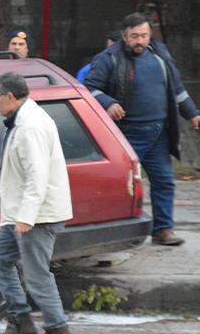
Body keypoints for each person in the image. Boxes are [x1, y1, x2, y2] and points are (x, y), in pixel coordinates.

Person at [84, 13, 200, 246]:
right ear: (124, 36)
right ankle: (112, 234)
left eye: (144, 36)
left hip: (158, 133)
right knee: (119, 186)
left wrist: (193, 114)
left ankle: (163, 230)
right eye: (135, 36)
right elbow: (90, 89)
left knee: (164, 182)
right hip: (124, 134)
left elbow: (177, 89)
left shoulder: (160, 55)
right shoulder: (107, 58)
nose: (140, 41)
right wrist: (108, 103)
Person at [0, 71, 74, 334]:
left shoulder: (31, 126)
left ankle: (58, 332)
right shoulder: (20, 121)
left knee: (37, 275)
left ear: (10, 96)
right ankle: (21, 321)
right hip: (20, 212)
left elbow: (38, 176)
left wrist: (26, 216)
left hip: (36, 215)